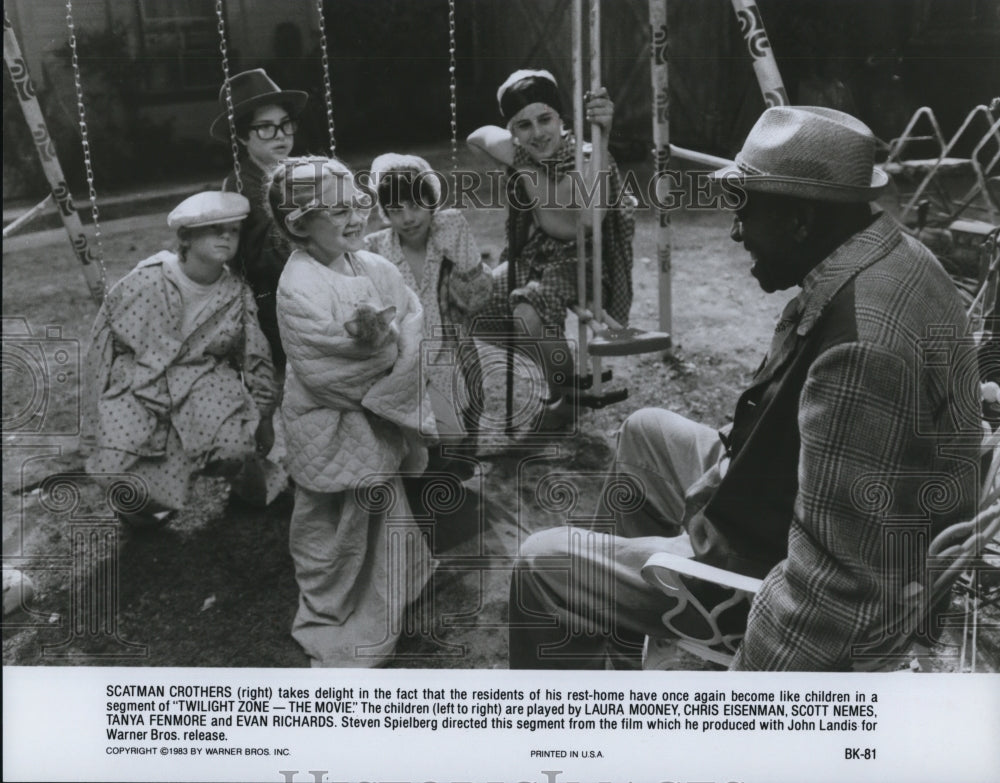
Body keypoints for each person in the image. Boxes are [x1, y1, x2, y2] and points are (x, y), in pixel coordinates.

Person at [508, 106, 981, 671]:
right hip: (789, 495)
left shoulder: (860, 350)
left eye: (744, 209)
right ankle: (624, 629)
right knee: (644, 430)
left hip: (772, 566)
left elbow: (829, 590)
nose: (734, 231)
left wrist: (745, 713)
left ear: (802, 220)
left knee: (539, 564)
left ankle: (590, 720)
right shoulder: (891, 254)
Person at [270, 157, 437, 667]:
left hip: (374, 422)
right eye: (335, 211)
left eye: (356, 205)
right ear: (300, 224)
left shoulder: (375, 267)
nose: (353, 218)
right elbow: (323, 367)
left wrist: (392, 350)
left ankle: (392, 596)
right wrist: (388, 358)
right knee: (333, 528)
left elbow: (414, 318)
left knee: (386, 515)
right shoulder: (297, 287)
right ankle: (334, 607)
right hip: (327, 424)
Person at [82, 192, 280, 527]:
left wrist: (262, 415)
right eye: (215, 229)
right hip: (139, 381)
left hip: (203, 382)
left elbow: (256, 357)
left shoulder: (236, 293)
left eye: (233, 231)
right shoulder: (147, 279)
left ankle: (250, 486)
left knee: (234, 448)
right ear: (186, 236)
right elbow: (102, 344)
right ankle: (141, 506)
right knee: (118, 463)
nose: (226, 237)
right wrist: (93, 410)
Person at [467, 69, 635, 429]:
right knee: (470, 305)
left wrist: (602, 138)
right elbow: (476, 138)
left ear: (562, 119)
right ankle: (560, 362)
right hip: (538, 253)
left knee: (526, 316)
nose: (538, 133)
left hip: (586, 256)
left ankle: (566, 395)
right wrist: (514, 151)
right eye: (523, 124)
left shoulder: (587, 157)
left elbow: (590, 221)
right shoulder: (521, 154)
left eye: (546, 119)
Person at [365, 153, 492, 468]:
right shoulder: (376, 248)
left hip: (447, 351)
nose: (407, 218)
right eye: (396, 210)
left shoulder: (449, 232)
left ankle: (444, 460)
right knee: (413, 442)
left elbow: (477, 301)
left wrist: (461, 254)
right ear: (385, 214)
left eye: (415, 205)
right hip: (399, 359)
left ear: (431, 203)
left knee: (453, 435)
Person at [212, 68, 308, 371]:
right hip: (268, 302)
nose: (280, 135)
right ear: (242, 135)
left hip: (308, 283)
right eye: (266, 128)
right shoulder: (241, 184)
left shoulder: (296, 172)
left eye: (285, 125)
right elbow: (266, 255)